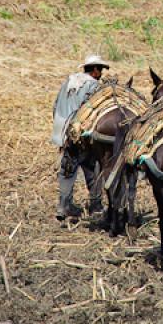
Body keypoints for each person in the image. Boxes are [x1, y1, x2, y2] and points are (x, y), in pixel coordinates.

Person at [51, 54, 109, 220]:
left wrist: (61, 132)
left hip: (65, 133)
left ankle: (63, 207)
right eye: (101, 70)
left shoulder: (69, 81)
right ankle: (96, 206)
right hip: (83, 134)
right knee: (94, 169)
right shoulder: (93, 86)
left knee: (67, 170)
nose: (102, 73)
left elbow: (56, 105)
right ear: (96, 70)